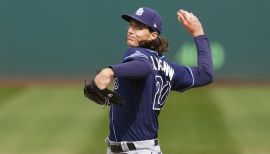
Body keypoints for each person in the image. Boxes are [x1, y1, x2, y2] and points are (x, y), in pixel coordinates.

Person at [94, 7, 213, 154]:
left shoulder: (139, 55)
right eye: (131, 25)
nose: (131, 30)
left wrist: (110, 71)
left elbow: (144, 67)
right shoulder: (168, 67)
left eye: (138, 28)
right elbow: (205, 74)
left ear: (153, 35)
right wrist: (198, 34)